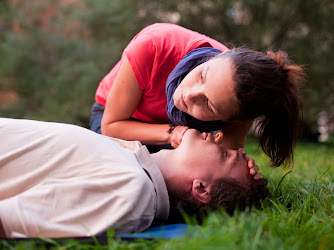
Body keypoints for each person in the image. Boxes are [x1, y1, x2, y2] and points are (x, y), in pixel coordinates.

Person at [0, 118, 268, 238]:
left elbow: (9, 220)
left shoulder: (132, 190)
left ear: (201, 189)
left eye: (223, 154)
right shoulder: (131, 165)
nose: (218, 138)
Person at [90, 23, 305, 166]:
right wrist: (172, 133)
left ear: (234, 120)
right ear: (223, 54)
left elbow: (217, 161)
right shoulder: (154, 45)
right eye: (202, 76)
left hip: (180, 136)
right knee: (132, 172)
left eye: (209, 105)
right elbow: (111, 126)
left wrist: (235, 165)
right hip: (118, 120)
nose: (189, 94)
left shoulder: (241, 104)